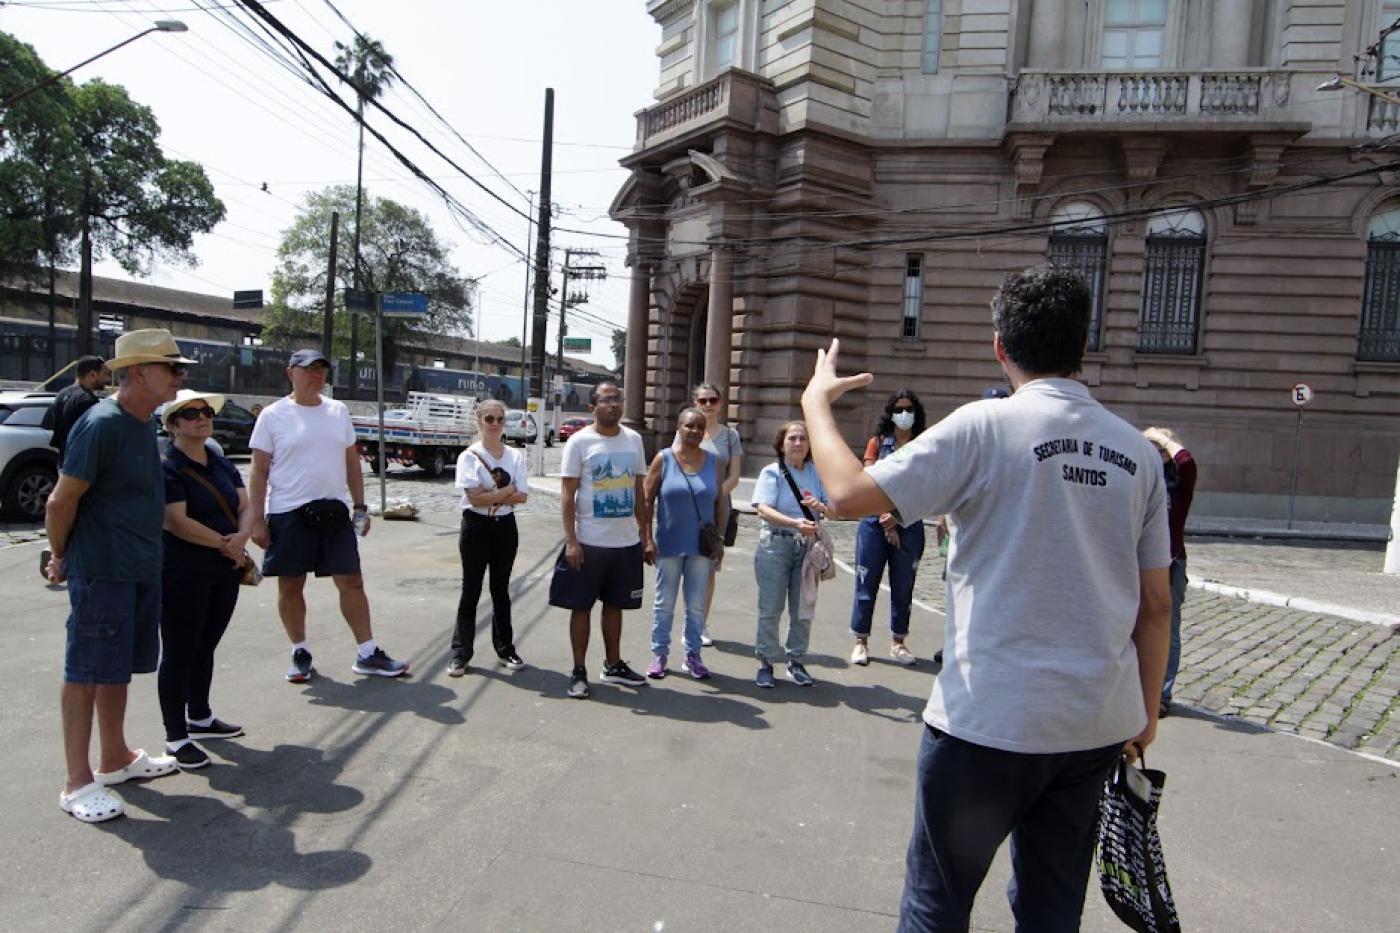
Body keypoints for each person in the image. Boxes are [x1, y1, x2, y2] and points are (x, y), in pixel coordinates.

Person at [800, 265, 1173, 932]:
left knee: (938, 903)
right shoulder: (1137, 453)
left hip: (987, 721)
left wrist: (814, 404)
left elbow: (846, 495)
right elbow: (1156, 603)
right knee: (1051, 909)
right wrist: (1143, 714)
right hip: (1091, 724)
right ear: (1082, 344)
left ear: (1001, 345)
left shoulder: (984, 426)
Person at [45, 329, 193, 823]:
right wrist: (61, 555)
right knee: (86, 671)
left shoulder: (141, 423)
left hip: (137, 568)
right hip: (102, 569)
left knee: (116, 669)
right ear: (135, 373)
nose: (181, 376)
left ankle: (114, 759)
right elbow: (60, 501)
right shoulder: (103, 423)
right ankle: (76, 781)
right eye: (172, 368)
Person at [248, 349, 408, 683]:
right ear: (291, 372)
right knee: (291, 585)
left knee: (351, 580)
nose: (316, 376)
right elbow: (259, 471)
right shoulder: (273, 416)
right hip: (288, 513)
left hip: (333, 512)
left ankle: (367, 652)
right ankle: (300, 650)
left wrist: (361, 506)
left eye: (322, 371)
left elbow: (352, 462)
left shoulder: (338, 411)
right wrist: (256, 518)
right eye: (309, 370)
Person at [157, 390, 251, 770]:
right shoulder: (168, 465)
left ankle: (200, 716)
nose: (202, 417)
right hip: (184, 570)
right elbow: (175, 521)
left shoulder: (218, 459)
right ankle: (176, 736)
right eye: (191, 413)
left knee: (207, 643)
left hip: (223, 568)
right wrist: (224, 543)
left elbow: (244, 504)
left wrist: (241, 537)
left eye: (206, 411)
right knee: (180, 650)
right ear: (174, 424)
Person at [549, 381, 650, 699]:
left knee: (616, 606)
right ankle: (579, 671)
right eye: (606, 401)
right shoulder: (579, 442)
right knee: (581, 608)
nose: (614, 405)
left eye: (618, 400)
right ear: (592, 407)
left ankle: (613, 664)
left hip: (625, 544)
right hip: (589, 543)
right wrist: (571, 540)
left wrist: (646, 536)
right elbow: (567, 495)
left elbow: (639, 493)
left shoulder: (633, 440)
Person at [447, 399, 529, 677]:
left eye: (499, 420)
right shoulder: (469, 456)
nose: (495, 425)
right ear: (479, 421)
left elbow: (523, 496)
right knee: (470, 590)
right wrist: (506, 492)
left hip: (505, 526)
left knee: (500, 590)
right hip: (475, 527)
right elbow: (473, 498)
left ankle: (505, 647)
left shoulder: (515, 456)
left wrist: (490, 495)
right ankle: (461, 653)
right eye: (489, 419)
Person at [750, 420, 832, 688]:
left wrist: (822, 507)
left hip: (807, 549)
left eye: (803, 439)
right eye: (792, 438)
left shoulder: (816, 473)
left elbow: (832, 509)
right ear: (782, 444)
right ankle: (766, 661)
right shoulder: (771, 473)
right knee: (771, 607)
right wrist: (794, 523)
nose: (798, 443)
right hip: (775, 544)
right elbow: (763, 509)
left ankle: (796, 661)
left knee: (802, 607)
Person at [849, 390, 927, 667]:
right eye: (899, 409)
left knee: (903, 584)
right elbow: (868, 480)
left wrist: (897, 517)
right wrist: (885, 515)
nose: (904, 414)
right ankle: (861, 640)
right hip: (874, 520)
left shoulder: (923, 444)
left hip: (909, 520)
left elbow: (926, 486)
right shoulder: (878, 443)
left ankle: (899, 641)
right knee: (866, 580)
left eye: (909, 409)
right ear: (890, 413)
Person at [643, 406, 721, 680]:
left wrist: (719, 541)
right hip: (669, 544)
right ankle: (659, 654)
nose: (695, 431)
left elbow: (719, 501)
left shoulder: (713, 462)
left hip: (701, 547)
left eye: (700, 427)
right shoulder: (663, 459)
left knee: (697, 604)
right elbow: (646, 500)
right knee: (664, 602)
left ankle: (693, 655)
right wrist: (647, 539)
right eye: (689, 426)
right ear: (679, 428)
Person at [1143, 426, 1197, 718]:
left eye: (1160, 450)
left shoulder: (1180, 483)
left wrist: (1164, 439)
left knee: (1167, 628)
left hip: (1171, 561)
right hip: (1136, 562)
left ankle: (1162, 694)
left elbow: (1187, 462)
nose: (1155, 454)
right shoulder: (1139, 478)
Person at [687, 383, 742, 647]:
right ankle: (688, 619)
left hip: (717, 508)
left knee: (708, 568)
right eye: (703, 400)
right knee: (686, 566)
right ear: (695, 402)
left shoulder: (731, 436)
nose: (708, 405)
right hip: (688, 507)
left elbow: (735, 474)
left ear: (720, 403)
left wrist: (717, 493)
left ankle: (700, 624)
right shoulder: (687, 430)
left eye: (713, 400)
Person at [43, 355, 110, 462]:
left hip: (64, 461)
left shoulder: (61, 393)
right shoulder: (87, 400)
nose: (107, 379)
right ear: (92, 375)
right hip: (81, 465)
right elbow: (92, 437)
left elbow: (49, 424)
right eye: (104, 375)